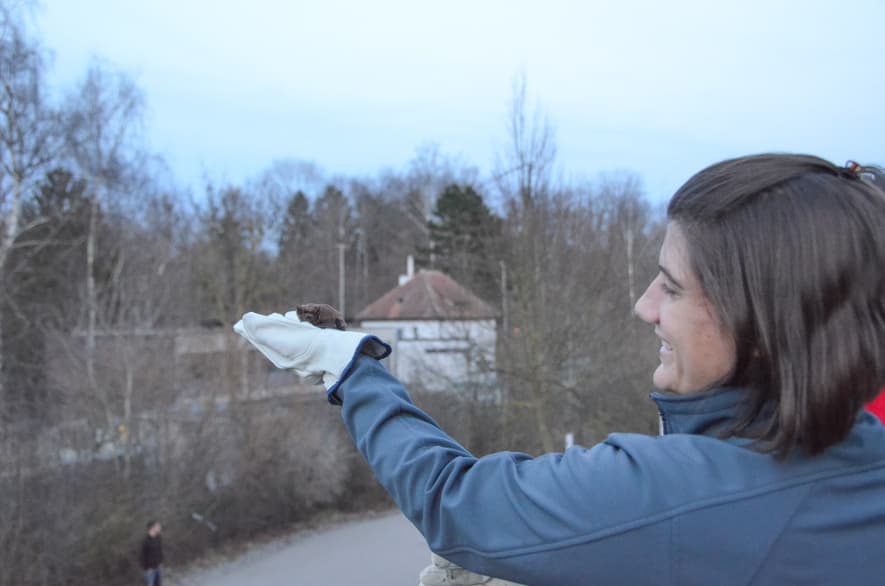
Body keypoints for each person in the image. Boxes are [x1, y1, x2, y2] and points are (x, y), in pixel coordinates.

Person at [235, 154, 885, 585]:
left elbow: (452, 501)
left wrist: (352, 369)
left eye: (671, 288)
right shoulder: (862, 462)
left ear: (764, 326)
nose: (643, 307)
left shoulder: (692, 490)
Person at [139, 520, 164, 586]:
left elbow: (160, 551)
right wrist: (147, 568)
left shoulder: (158, 538)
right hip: (150, 570)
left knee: (159, 584)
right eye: (157, 526)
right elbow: (142, 556)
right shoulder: (145, 540)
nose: (159, 527)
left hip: (158, 567)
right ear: (152, 528)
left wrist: (161, 562)